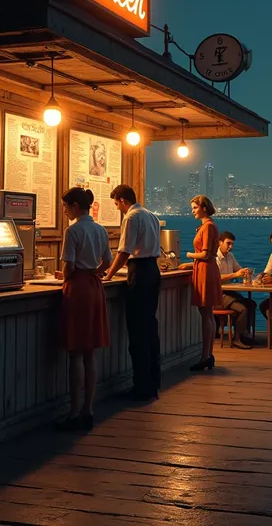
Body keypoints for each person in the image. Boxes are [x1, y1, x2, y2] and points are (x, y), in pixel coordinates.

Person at [57, 187, 111, 431]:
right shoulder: (100, 230)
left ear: (76, 207)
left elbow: (67, 267)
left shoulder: (73, 231)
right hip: (94, 287)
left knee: (75, 351)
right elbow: (108, 262)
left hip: (77, 288)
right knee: (90, 352)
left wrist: (69, 274)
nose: (65, 210)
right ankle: (88, 410)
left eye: (66, 206)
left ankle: (74, 412)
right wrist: (94, 272)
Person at [105, 184, 161, 401]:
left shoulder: (131, 217)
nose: (117, 208)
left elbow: (124, 252)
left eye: (116, 203)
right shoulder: (151, 216)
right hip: (153, 271)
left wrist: (109, 274)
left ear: (122, 200)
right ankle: (153, 382)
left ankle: (141, 387)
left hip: (138, 272)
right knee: (150, 327)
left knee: (137, 330)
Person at [184, 195, 223, 370]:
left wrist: (189, 255)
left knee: (206, 313)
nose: (192, 211)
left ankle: (205, 356)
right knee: (208, 313)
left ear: (204, 208)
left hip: (206, 270)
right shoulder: (209, 226)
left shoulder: (207, 227)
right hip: (206, 268)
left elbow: (205, 253)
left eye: (194, 208)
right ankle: (207, 354)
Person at [215, 231, 256, 349]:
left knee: (251, 304)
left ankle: (244, 334)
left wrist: (245, 272)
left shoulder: (230, 256)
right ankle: (237, 339)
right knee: (242, 309)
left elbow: (238, 269)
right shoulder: (215, 258)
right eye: (228, 243)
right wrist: (235, 275)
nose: (230, 247)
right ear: (220, 242)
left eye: (232, 244)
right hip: (218, 294)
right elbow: (217, 278)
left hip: (229, 292)